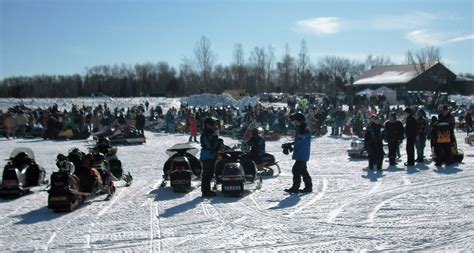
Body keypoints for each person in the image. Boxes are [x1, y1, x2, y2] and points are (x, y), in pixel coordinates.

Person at [284, 112, 312, 194]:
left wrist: (300, 132)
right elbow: (298, 140)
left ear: (299, 120)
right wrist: (290, 144)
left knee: (296, 170)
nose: (294, 123)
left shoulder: (305, 129)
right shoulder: (299, 128)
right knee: (303, 171)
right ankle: (308, 187)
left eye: (295, 121)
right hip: (300, 153)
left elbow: (303, 136)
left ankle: (295, 188)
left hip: (302, 154)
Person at [200, 117, 222, 197]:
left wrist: (218, 142)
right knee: (207, 174)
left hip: (210, 155)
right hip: (207, 155)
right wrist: (217, 143)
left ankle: (206, 190)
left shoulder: (211, 132)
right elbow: (210, 145)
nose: (212, 126)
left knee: (209, 173)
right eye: (211, 124)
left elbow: (214, 142)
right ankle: (206, 191)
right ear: (207, 125)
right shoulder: (206, 134)